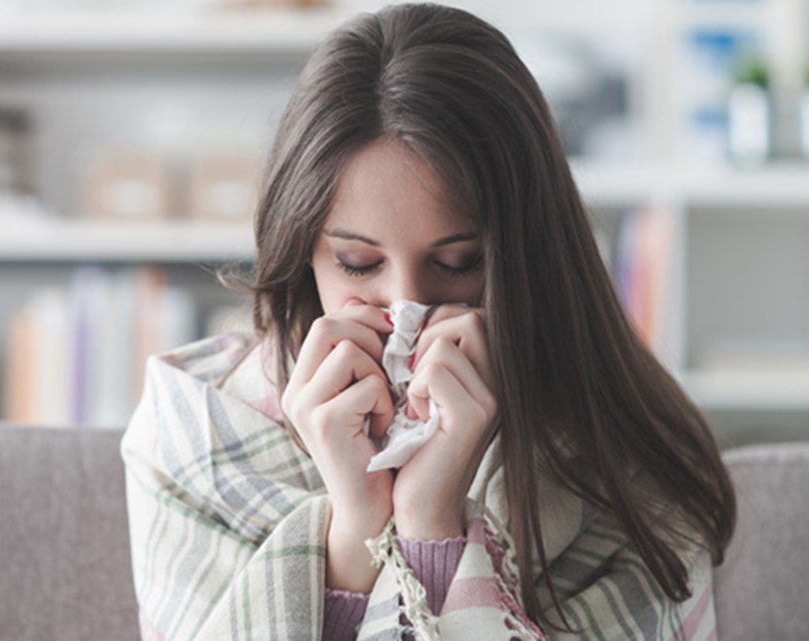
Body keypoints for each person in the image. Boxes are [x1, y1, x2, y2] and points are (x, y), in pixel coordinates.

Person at [120, 3, 736, 640]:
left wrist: (431, 521)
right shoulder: (194, 433)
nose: (405, 308)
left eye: (458, 263)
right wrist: (355, 529)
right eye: (358, 263)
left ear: (528, 254)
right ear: (302, 250)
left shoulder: (623, 455)